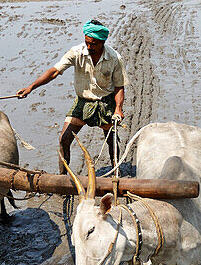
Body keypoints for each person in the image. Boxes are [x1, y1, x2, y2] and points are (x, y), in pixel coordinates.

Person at [17, 19, 126, 173]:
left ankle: (116, 172)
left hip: (105, 102)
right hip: (82, 102)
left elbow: (119, 86)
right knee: (64, 139)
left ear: (102, 42)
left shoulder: (115, 58)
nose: (89, 47)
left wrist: (118, 109)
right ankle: (63, 179)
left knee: (112, 142)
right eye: (87, 42)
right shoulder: (76, 52)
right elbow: (54, 71)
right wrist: (31, 87)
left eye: (93, 44)